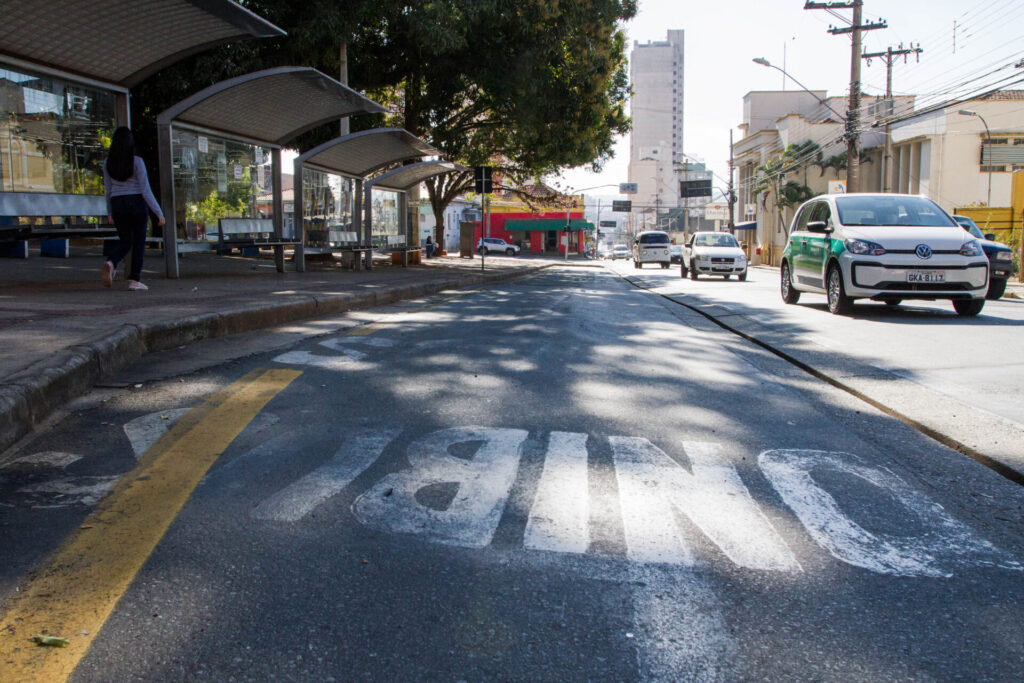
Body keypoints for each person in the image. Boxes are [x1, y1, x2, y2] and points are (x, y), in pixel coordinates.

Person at [101, 127, 165, 291]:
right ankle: (134, 280)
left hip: (117, 203)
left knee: (125, 241)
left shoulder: (108, 163)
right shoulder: (137, 162)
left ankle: (111, 262)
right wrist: (158, 212)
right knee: (138, 242)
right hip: (136, 202)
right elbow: (145, 190)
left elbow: (108, 190)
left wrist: (109, 212)